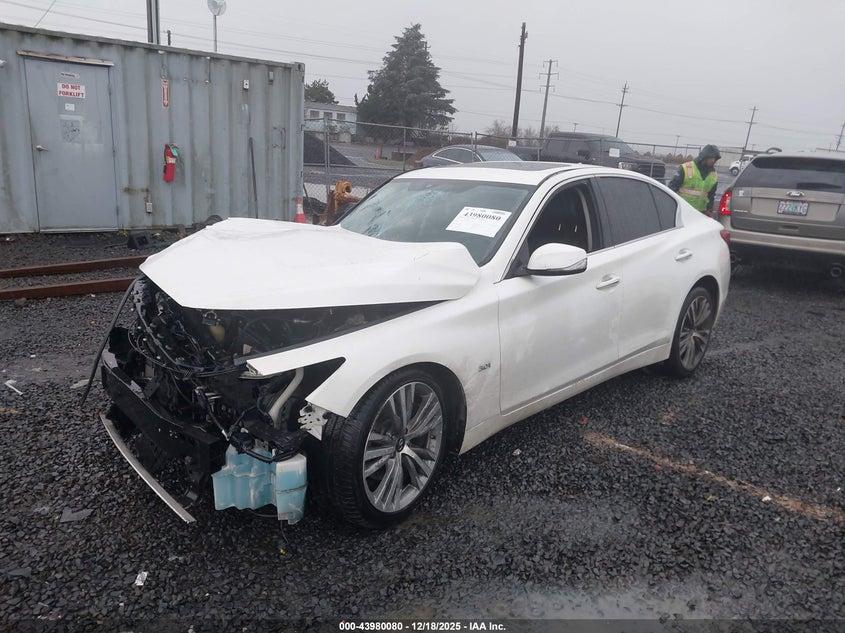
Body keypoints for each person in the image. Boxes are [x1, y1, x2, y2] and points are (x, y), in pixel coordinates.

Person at [668, 144, 721, 216]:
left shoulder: (713, 174)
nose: (713, 160)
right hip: (683, 210)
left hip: (701, 213)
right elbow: (672, 188)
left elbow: (711, 194)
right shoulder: (686, 168)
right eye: (711, 158)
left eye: (715, 159)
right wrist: (671, 206)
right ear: (705, 156)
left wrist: (709, 209)